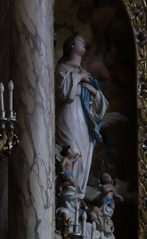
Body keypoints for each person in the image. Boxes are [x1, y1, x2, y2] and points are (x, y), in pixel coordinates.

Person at [55, 33, 107, 202]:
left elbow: (100, 105)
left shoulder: (86, 74)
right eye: (79, 41)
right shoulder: (62, 68)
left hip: (84, 121)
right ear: (71, 45)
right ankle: (67, 196)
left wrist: (94, 92)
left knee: (83, 157)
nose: (83, 43)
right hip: (68, 115)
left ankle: (77, 199)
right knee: (72, 151)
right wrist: (77, 77)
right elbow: (64, 94)